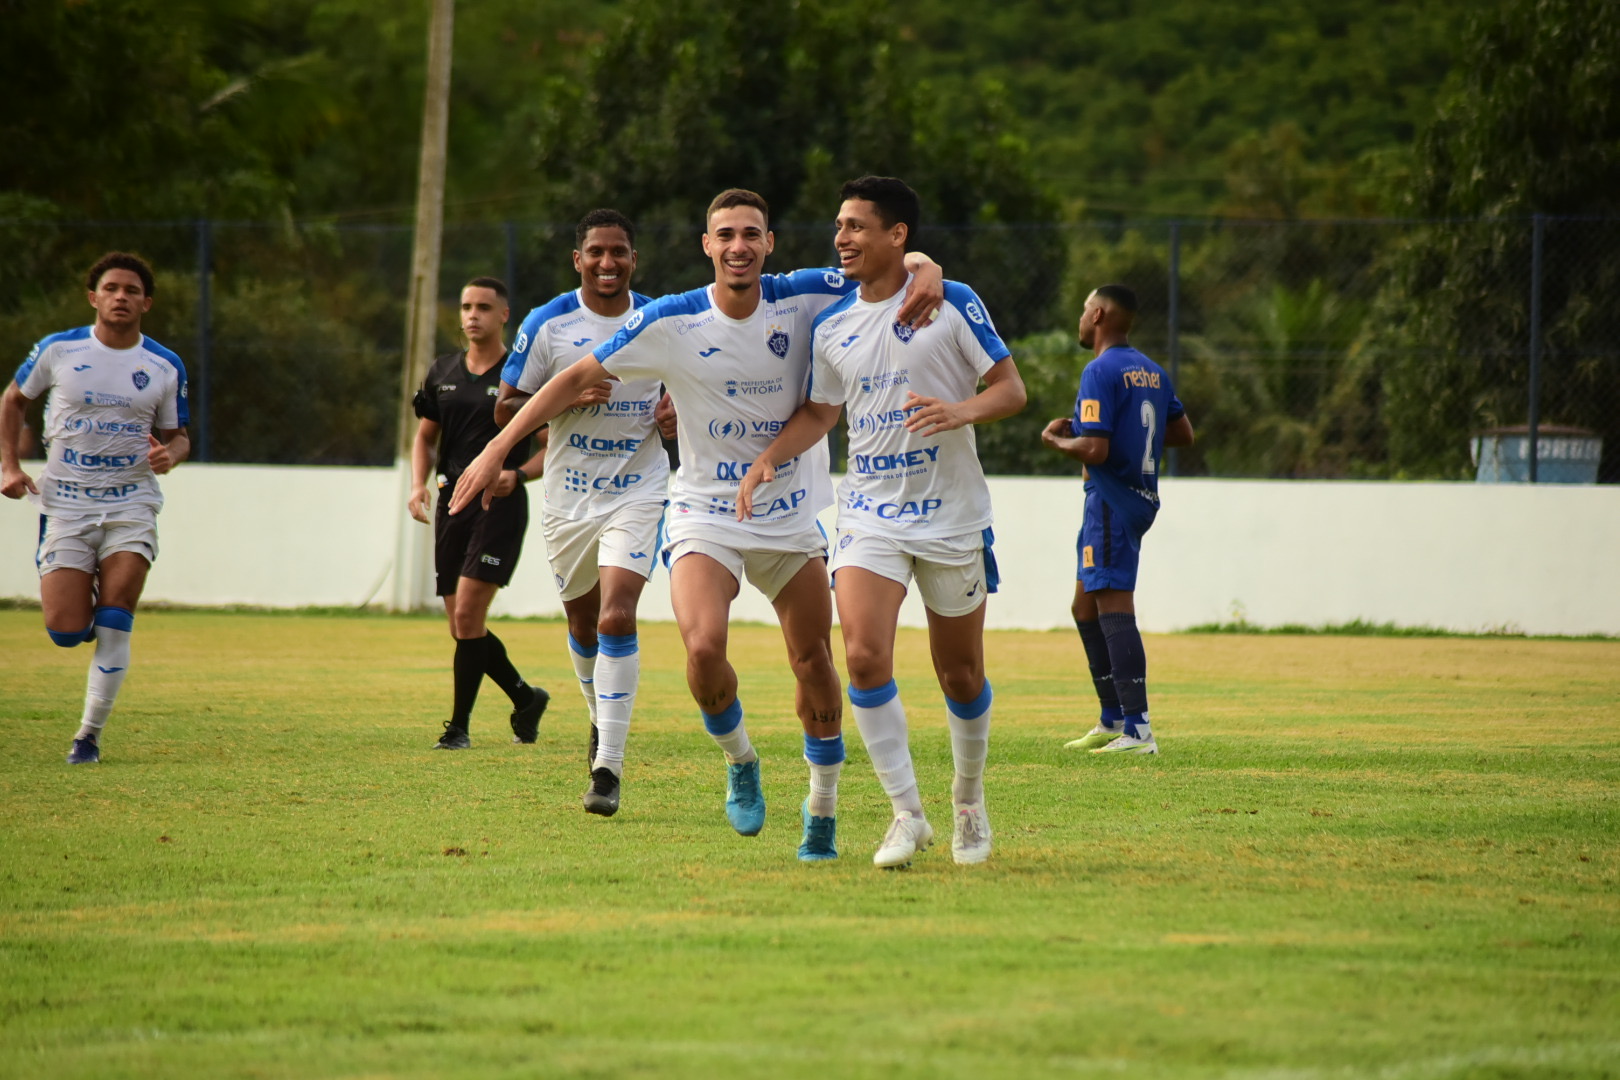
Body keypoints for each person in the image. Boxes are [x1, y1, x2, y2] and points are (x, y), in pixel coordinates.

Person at [452, 188, 943, 862]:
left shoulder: (806, 293)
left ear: (768, 243)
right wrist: (494, 450)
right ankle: (740, 759)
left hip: (791, 512)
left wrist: (928, 265)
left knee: (813, 661)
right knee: (703, 649)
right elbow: (570, 382)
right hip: (704, 510)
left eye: (751, 234)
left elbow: (895, 261)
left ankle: (821, 806)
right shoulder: (669, 318)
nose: (738, 246)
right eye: (725, 235)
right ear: (706, 247)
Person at [737, 176, 1026, 869]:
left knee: (960, 673)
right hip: (869, 513)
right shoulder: (832, 323)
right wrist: (767, 460)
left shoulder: (951, 301)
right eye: (840, 225)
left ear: (899, 237)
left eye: (858, 226)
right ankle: (907, 813)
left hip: (953, 514)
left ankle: (968, 803)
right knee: (863, 657)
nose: (842, 237)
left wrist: (961, 411)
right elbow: (821, 411)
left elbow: (1011, 390)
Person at [493, 209, 669, 817]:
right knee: (584, 624)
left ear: (632, 258)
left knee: (618, 617)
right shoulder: (549, 323)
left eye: (618, 251)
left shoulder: (660, 317)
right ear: (579, 259)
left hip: (639, 490)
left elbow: (698, 387)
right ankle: (600, 717)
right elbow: (506, 409)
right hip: (569, 497)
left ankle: (607, 767)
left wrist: (677, 414)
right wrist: (567, 396)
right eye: (596, 251)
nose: (607, 262)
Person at [0, 252, 191, 764]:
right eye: (111, 288)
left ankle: (87, 737)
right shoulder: (58, 350)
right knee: (65, 631)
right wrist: (9, 467)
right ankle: (76, 613)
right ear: (94, 297)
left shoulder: (163, 364)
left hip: (132, 504)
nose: (121, 297)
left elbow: (179, 437)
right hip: (65, 505)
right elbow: (13, 399)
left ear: (146, 303)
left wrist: (168, 455)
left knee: (116, 613)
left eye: (132, 290)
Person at [1040, 284, 1194, 755]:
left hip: (1110, 498)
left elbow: (1094, 449)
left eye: (1085, 309)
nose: (1081, 318)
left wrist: (1055, 441)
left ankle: (1138, 729)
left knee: (1113, 606)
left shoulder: (1099, 369)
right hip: (1140, 495)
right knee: (1084, 606)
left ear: (1100, 314)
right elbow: (1182, 433)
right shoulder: (1151, 370)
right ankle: (1111, 719)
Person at [408, 277, 550, 750]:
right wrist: (417, 486)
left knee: (468, 616)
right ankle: (525, 697)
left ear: (504, 315)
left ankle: (458, 728)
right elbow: (426, 437)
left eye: (484, 307)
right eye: (467, 306)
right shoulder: (442, 371)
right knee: (461, 625)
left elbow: (551, 447)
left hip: (499, 506)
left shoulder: (523, 374)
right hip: (453, 503)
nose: (473, 315)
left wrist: (519, 474)